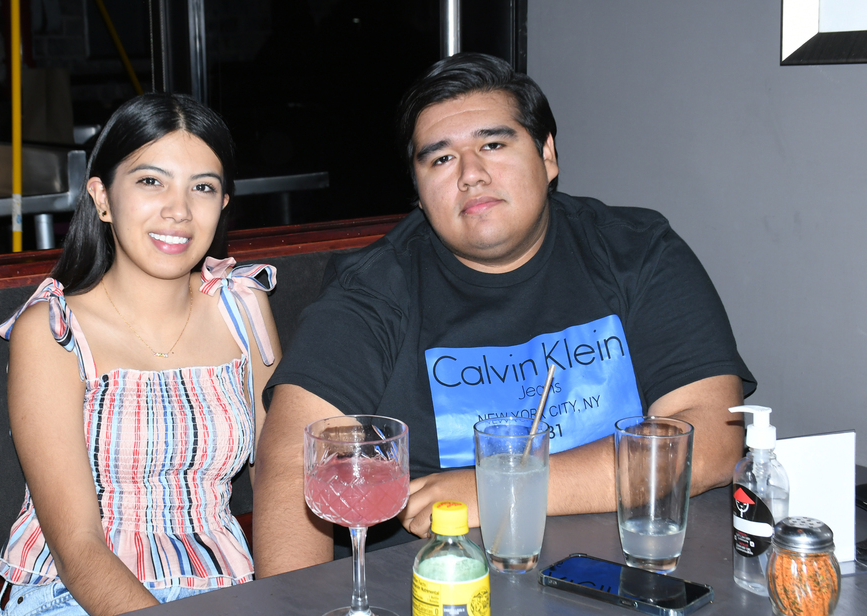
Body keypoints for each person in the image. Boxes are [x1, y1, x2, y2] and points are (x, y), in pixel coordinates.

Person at [252, 53, 753, 578]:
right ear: (418, 192)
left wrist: (499, 486)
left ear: (547, 154)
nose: (471, 174)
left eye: (493, 144)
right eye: (440, 160)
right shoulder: (374, 289)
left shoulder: (637, 252)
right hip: (442, 589)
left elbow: (711, 440)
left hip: (638, 570)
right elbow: (294, 460)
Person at [0, 94, 281, 616]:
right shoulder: (52, 330)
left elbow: (281, 467)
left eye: (202, 188)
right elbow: (77, 548)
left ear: (223, 204)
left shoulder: (243, 306)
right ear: (101, 197)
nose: (178, 211)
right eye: (151, 181)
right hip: (74, 603)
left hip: (222, 593)